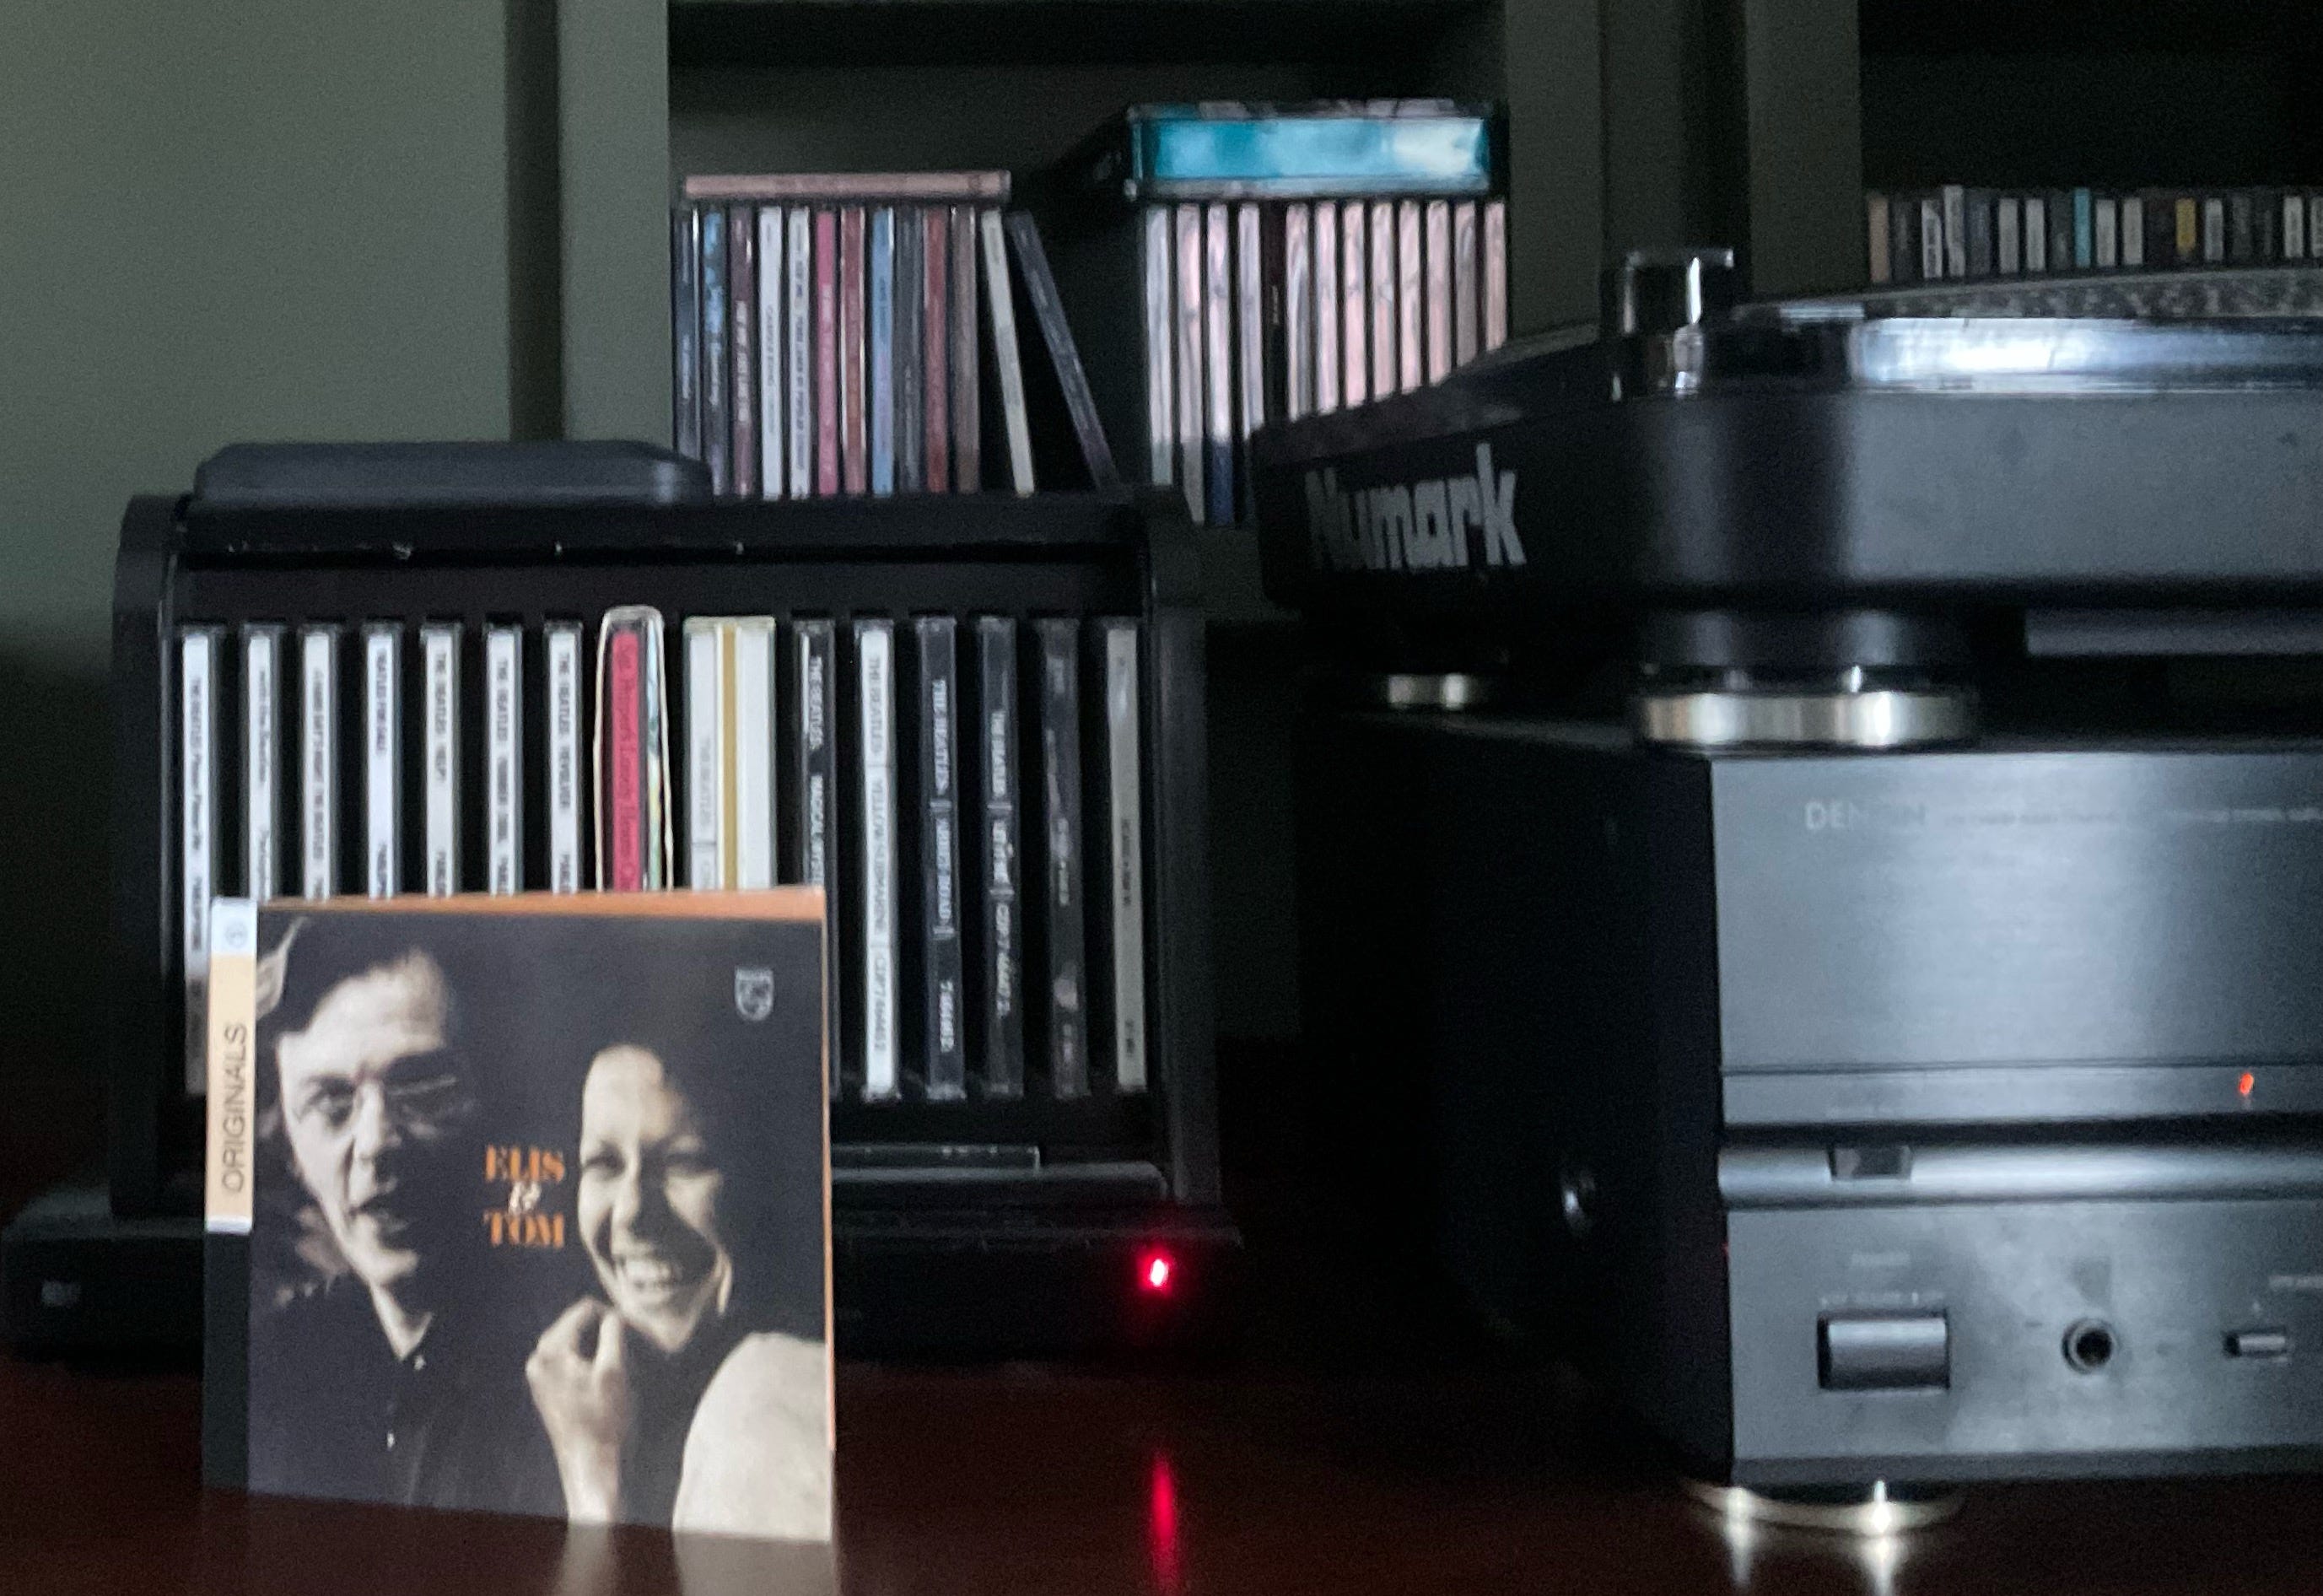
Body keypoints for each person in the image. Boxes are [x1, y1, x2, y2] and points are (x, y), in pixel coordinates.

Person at [246, 925, 559, 1515]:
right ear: (288, 1145)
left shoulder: (565, 1369)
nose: (377, 1143)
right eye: (331, 1103)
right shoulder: (278, 1372)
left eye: (423, 1088)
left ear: (494, 1103)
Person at [525, 1040, 829, 1539]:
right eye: (604, 1164)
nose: (631, 1212)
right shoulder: (566, 1399)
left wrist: (592, 1482)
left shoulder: (771, 1397)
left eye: (684, 1162)